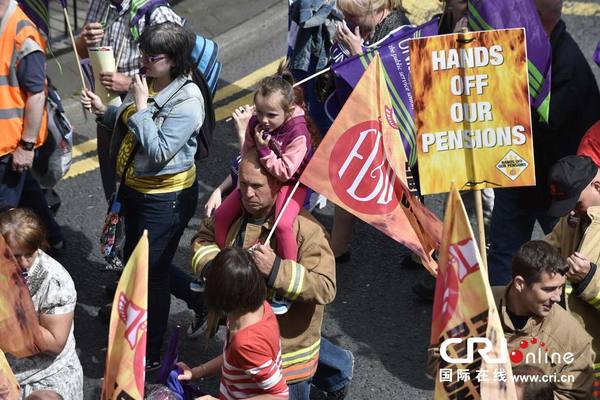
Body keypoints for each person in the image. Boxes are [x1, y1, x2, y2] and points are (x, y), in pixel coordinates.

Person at [81, 22, 205, 368]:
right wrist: (106, 111)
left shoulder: (188, 100)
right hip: (135, 189)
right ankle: (198, 297)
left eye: (153, 56)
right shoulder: (149, 81)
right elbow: (127, 116)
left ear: (175, 59)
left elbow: (159, 150)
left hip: (166, 199)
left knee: (154, 273)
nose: (143, 61)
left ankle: (150, 352)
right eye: (142, 53)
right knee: (139, 262)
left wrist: (141, 105)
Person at [191, 151, 344, 400]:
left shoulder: (307, 230)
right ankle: (338, 370)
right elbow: (202, 239)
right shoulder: (232, 215)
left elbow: (325, 287)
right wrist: (217, 270)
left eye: (257, 186)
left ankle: (338, 371)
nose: (247, 194)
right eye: (242, 184)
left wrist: (277, 270)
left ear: (277, 185)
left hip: (289, 360)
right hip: (246, 342)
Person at [486, 0, 600, 285]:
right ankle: (504, 322)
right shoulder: (537, 53)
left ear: (535, 17)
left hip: (556, 189)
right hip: (522, 174)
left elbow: (550, 132)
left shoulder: (566, 68)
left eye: (519, 12)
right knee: (505, 253)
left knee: (566, 257)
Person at [213, 64, 316, 314]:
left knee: (282, 225)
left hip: (293, 183)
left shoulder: (299, 133)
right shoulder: (256, 123)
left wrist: (263, 150)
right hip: (264, 176)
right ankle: (220, 269)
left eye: (271, 115)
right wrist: (241, 184)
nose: (263, 120)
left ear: (289, 110)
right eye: (259, 112)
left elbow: (285, 171)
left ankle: (285, 284)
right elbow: (246, 153)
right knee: (222, 215)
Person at [76, 0, 183, 201]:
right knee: (114, 194)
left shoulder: (157, 13)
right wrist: (84, 41)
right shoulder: (100, 4)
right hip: (107, 111)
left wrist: (127, 83)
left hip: (141, 115)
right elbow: (81, 51)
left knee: (137, 194)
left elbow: (180, 76)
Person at [328, 0, 410, 261]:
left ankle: (426, 254)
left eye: (354, 16)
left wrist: (357, 53)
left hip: (396, 127)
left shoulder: (398, 32)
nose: (349, 22)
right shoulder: (360, 28)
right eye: (346, 15)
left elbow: (388, 85)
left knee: (409, 193)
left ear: (376, 9)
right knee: (347, 180)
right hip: (363, 120)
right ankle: (337, 247)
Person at [177, 247, 289, 399]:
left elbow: (279, 394)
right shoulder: (259, 307)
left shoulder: (245, 343)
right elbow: (233, 356)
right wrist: (198, 371)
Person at [0, 0, 64, 252]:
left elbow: (37, 95)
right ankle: (54, 237)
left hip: (9, 145)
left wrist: (26, 146)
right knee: (26, 190)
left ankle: (13, 273)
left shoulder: (22, 34)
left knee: (5, 218)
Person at [0, 208, 83, 399]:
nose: (24, 263)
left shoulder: (54, 280)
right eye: (14, 255)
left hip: (45, 373)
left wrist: (10, 315)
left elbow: (55, 343)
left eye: (29, 254)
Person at [543, 155, 600, 398]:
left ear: (597, 186)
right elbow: (549, 247)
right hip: (573, 355)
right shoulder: (575, 218)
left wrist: (589, 279)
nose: (572, 212)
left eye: (576, 204)